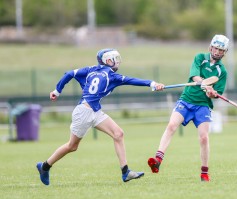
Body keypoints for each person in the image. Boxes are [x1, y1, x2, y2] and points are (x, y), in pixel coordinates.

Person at [36, 48, 164, 185]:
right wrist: (153, 84)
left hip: (95, 111)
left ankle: (125, 172)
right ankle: (44, 167)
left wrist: (57, 91)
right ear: (108, 61)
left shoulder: (90, 69)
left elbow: (69, 74)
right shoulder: (112, 76)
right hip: (84, 113)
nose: (117, 62)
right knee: (72, 146)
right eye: (115, 59)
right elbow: (132, 80)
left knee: (118, 134)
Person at [147, 34, 229, 182]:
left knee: (204, 138)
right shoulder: (199, 58)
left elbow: (217, 94)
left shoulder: (222, 72)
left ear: (225, 52)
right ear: (211, 47)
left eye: (221, 50)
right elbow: (195, 76)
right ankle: (158, 160)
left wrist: (212, 93)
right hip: (186, 100)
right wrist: (205, 84)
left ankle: (204, 172)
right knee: (171, 125)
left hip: (203, 105)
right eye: (215, 48)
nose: (217, 52)